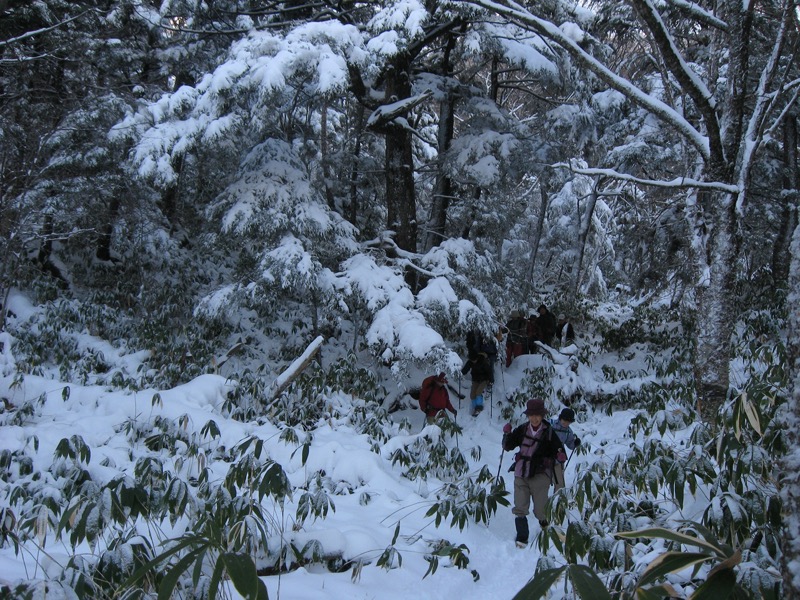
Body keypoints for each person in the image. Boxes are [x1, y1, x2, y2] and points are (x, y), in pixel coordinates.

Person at [502, 398, 563, 548]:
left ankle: (545, 525)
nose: (534, 418)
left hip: (540, 475)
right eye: (531, 415)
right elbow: (508, 446)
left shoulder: (549, 432)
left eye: (537, 415)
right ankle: (522, 537)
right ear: (528, 415)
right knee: (520, 507)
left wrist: (560, 455)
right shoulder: (522, 429)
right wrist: (507, 435)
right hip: (521, 472)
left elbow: (559, 450)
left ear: (542, 415)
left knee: (540, 509)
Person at [548, 407, 581, 492]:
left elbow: (570, 444)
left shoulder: (568, 431)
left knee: (560, 484)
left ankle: (557, 501)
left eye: (568, 421)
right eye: (564, 420)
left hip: (558, 459)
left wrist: (575, 443)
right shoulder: (551, 425)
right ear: (560, 418)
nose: (566, 423)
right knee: (542, 482)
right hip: (545, 457)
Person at [461, 351, 493, 416]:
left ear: (477, 358)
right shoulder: (470, 362)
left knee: (478, 392)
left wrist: (491, 380)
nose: (473, 362)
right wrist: (461, 373)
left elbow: (489, 371)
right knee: (472, 395)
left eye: (474, 360)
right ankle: (475, 406)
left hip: (484, 379)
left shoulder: (483, 361)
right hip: (475, 379)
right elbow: (465, 369)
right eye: (472, 360)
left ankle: (479, 407)